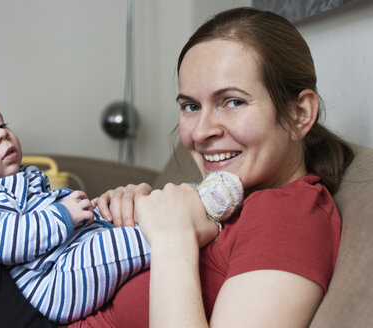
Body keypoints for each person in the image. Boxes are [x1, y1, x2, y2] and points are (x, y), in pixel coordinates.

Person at [69, 7, 354, 328]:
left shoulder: (288, 216)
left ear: (300, 114)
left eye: (233, 101)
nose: (201, 131)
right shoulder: (225, 200)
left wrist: (172, 237)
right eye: (191, 106)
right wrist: (134, 215)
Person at [0, 88, 242, 324]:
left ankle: (198, 197)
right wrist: (63, 215)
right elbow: (4, 242)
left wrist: (78, 208)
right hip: (53, 281)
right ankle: (195, 218)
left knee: (121, 215)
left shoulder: (10, 177)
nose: (1, 135)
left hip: (67, 251)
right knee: (129, 240)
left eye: (0, 123)